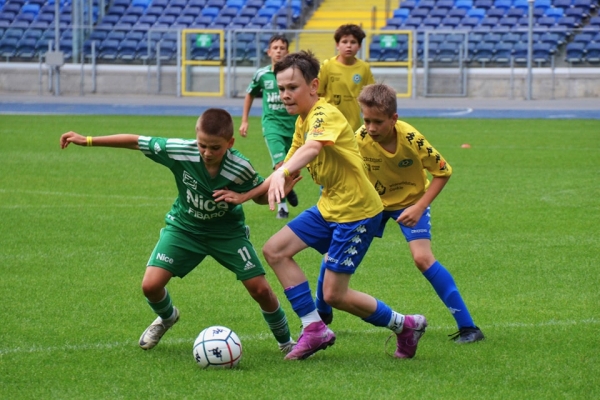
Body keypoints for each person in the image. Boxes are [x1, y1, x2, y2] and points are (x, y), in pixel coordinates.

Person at [226, 51, 428, 361]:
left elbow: (312, 148)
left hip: (357, 213)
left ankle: (406, 325)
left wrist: (283, 172)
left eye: (292, 87)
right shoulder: (302, 122)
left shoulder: (324, 114)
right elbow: (289, 165)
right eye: (281, 89)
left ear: (314, 85)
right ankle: (314, 328)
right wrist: (245, 195)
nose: (284, 95)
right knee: (275, 251)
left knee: (335, 295)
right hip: (329, 207)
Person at [59, 108, 297, 353]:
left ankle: (286, 343)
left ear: (230, 143)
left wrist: (275, 191)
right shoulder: (180, 150)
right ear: (196, 137)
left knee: (260, 289)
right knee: (150, 286)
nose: (207, 152)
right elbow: (135, 141)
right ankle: (167, 317)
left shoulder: (240, 166)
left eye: (215, 147)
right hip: (185, 228)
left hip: (226, 233)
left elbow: (258, 196)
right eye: (202, 145)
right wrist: (87, 140)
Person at [317, 83, 484, 344]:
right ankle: (322, 316)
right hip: (371, 205)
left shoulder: (412, 139)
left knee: (422, 259)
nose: (371, 128)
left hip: (412, 202)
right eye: (367, 120)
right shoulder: (359, 139)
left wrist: (418, 207)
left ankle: (469, 328)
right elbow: (340, 172)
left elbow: (443, 172)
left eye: (378, 122)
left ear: (394, 119)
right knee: (333, 251)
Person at [240, 34, 299, 219]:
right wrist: (244, 120)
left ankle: (287, 190)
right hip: (272, 125)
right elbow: (250, 94)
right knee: (280, 164)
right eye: (275, 48)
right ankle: (282, 206)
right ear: (269, 52)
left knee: (294, 168)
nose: (279, 51)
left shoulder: (294, 75)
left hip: (294, 126)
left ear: (287, 51)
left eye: (282, 47)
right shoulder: (262, 74)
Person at [317, 24, 375, 132]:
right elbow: (317, 94)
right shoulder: (327, 66)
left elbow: (371, 98)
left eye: (353, 42)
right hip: (329, 124)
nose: (349, 46)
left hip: (354, 126)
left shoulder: (364, 68)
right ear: (337, 45)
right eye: (344, 42)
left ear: (359, 46)